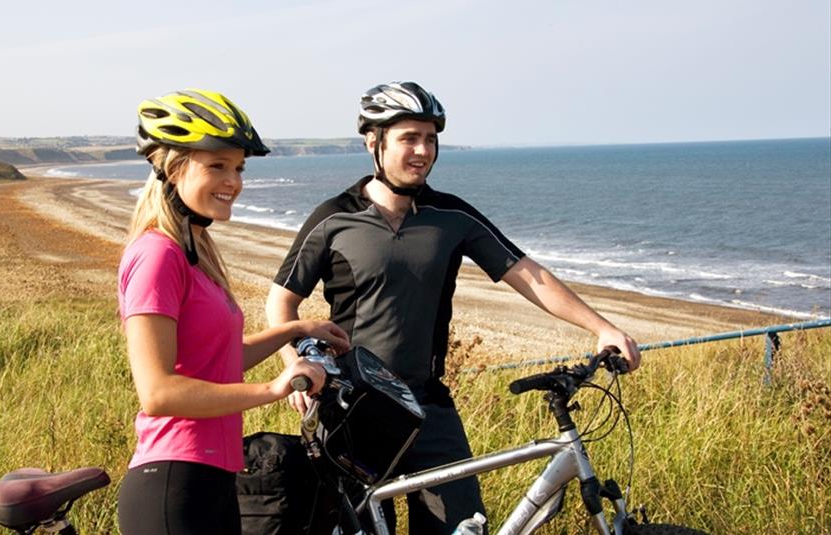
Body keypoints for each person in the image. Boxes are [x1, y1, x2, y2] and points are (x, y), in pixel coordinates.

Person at [265, 81, 641, 534]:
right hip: (351, 410)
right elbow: (280, 304)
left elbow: (528, 275)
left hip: (428, 407)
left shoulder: (452, 216)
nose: (422, 150)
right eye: (409, 138)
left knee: (463, 526)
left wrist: (601, 327)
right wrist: (297, 369)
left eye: (430, 138)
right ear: (374, 142)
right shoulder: (333, 218)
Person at [116, 88, 350, 535]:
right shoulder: (156, 255)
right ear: (172, 167)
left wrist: (295, 328)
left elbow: (220, 360)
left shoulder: (193, 253)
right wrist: (274, 388)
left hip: (214, 479)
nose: (234, 182)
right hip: (174, 484)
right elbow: (158, 393)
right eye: (217, 166)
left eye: (238, 167)